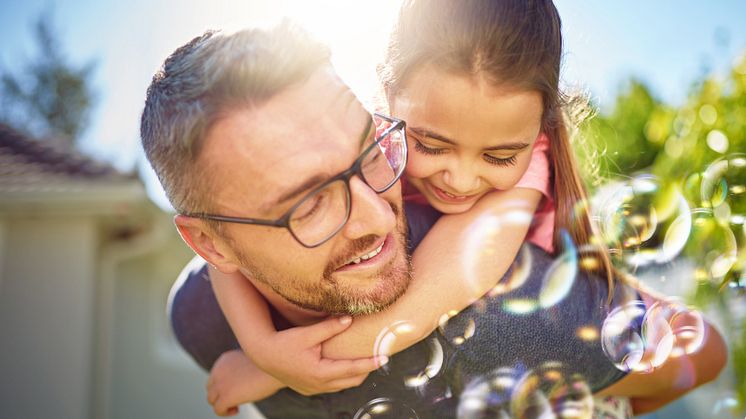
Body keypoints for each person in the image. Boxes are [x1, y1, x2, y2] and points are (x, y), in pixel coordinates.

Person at [141, 6, 726, 419]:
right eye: (310, 202)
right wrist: (263, 346)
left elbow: (446, 289)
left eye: (498, 156)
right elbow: (226, 238)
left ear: (536, 135)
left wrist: (272, 368)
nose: (462, 179)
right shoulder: (356, 130)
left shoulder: (500, 290)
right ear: (387, 100)